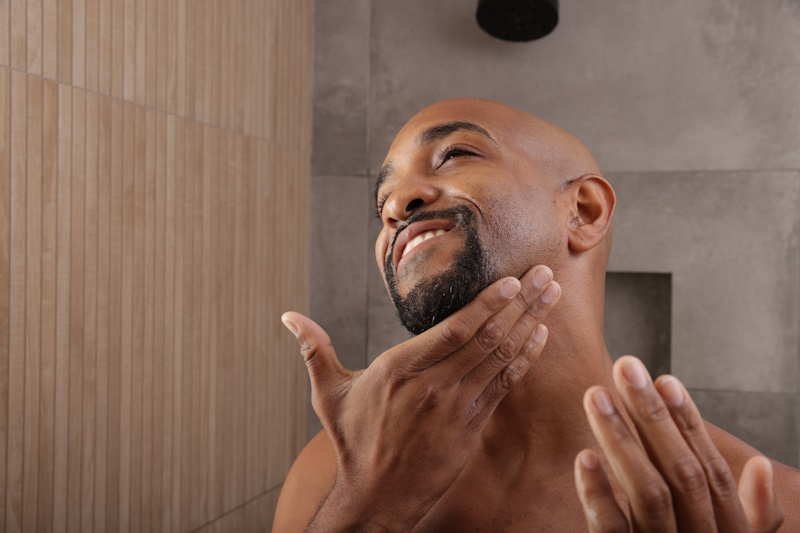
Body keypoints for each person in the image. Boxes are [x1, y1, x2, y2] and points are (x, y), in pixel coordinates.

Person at [274, 98, 799, 531]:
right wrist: (365, 507)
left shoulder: (769, 506)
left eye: (454, 154)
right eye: (383, 201)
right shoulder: (340, 471)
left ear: (584, 210)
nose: (395, 207)